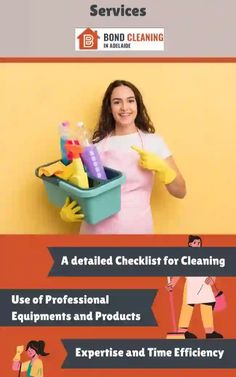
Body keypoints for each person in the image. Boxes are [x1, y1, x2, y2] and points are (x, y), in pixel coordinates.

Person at [60, 79, 186, 233]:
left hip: (138, 233)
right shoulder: (94, 147)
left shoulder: (153, 142)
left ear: (137, 105)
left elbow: (180, 192)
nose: (124, 107)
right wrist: (68, 209)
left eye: (130, 101)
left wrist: (163, 169)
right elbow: (81, 186)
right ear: (110, 108)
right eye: (117, 102)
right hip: (96, 235)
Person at [167, 235, 223, 339]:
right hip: (191, 285)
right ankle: (182, 332)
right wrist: (173, 283)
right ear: (190, 244)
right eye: (195, 243)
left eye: (199, 243)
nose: (198, 245)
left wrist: (212, 279)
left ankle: (209, 332)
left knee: (207, 307)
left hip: (204, 285)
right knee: (187, 309)